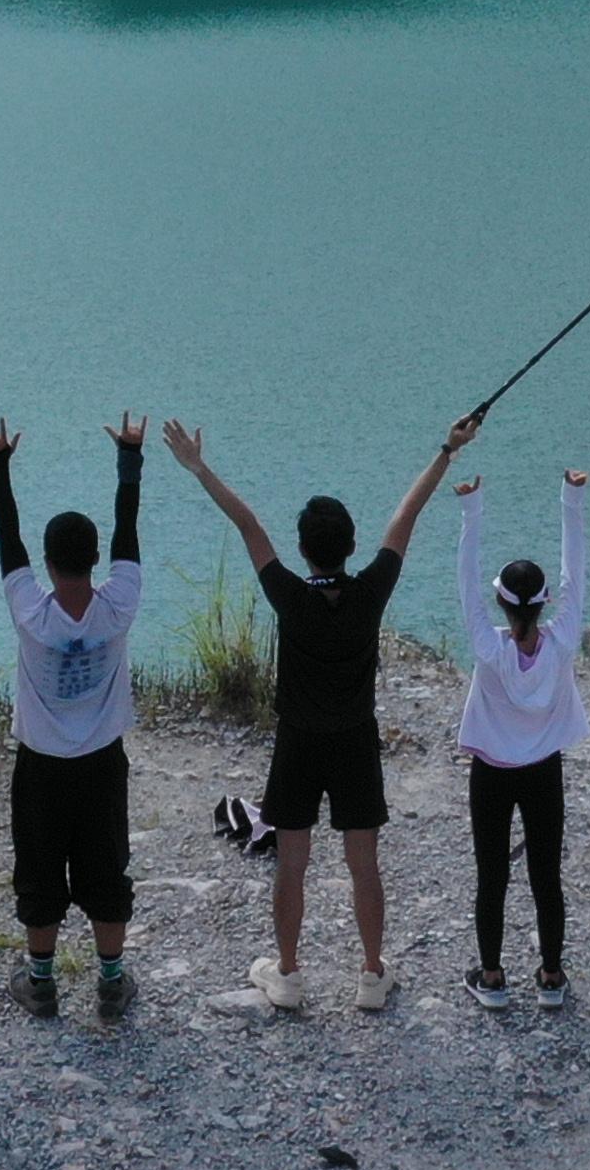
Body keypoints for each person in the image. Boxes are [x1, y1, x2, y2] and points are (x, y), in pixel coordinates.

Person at [162, 404, 479, 1013]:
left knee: (293, 864)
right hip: (355, 739)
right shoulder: (370, 592)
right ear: (351, 547)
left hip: (298, 742)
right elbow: (406, 516)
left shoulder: (287, 596)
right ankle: (369, 974)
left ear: (303, 551)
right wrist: (447, 449)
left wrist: (198, 468)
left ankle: (285, 974)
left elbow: (247, 523)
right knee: (365, 865)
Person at [0, 415, 147, 1021]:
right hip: (103, 762)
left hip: (41, 767)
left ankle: (42, 982)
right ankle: (110, 984)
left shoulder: (31, 613)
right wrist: (131, 458)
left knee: (40, 867)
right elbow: (129, 528)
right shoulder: (120, 606)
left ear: (47, 564)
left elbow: (8, 537)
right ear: (96, 558)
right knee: (107, 867)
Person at [447, 462, 590, 1003]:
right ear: (543, 603)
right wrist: (570, 501)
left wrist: (471, 510)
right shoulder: (563, 642)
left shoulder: (489, 651)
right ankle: (551, 976)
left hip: (492, 773)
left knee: (492, 876)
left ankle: (491, 978)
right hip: (543, 773)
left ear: (503, 604)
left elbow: (466, 585)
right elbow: (578, 575)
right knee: (546, 875)